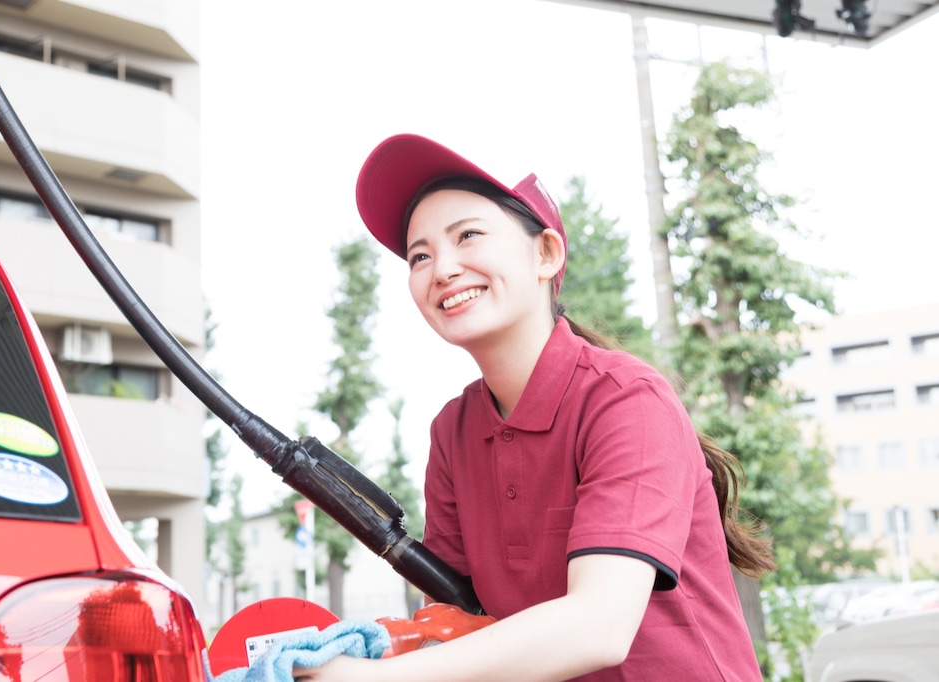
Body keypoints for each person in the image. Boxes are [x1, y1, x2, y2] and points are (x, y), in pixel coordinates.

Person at [295, 134, 775, 681]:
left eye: (468, 236)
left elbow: (600, 626)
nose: (442, 269)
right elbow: (452, 624)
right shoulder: (453, 432)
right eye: (420, 255)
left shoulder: (625, 399)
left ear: (546, 253)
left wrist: (369, 679)